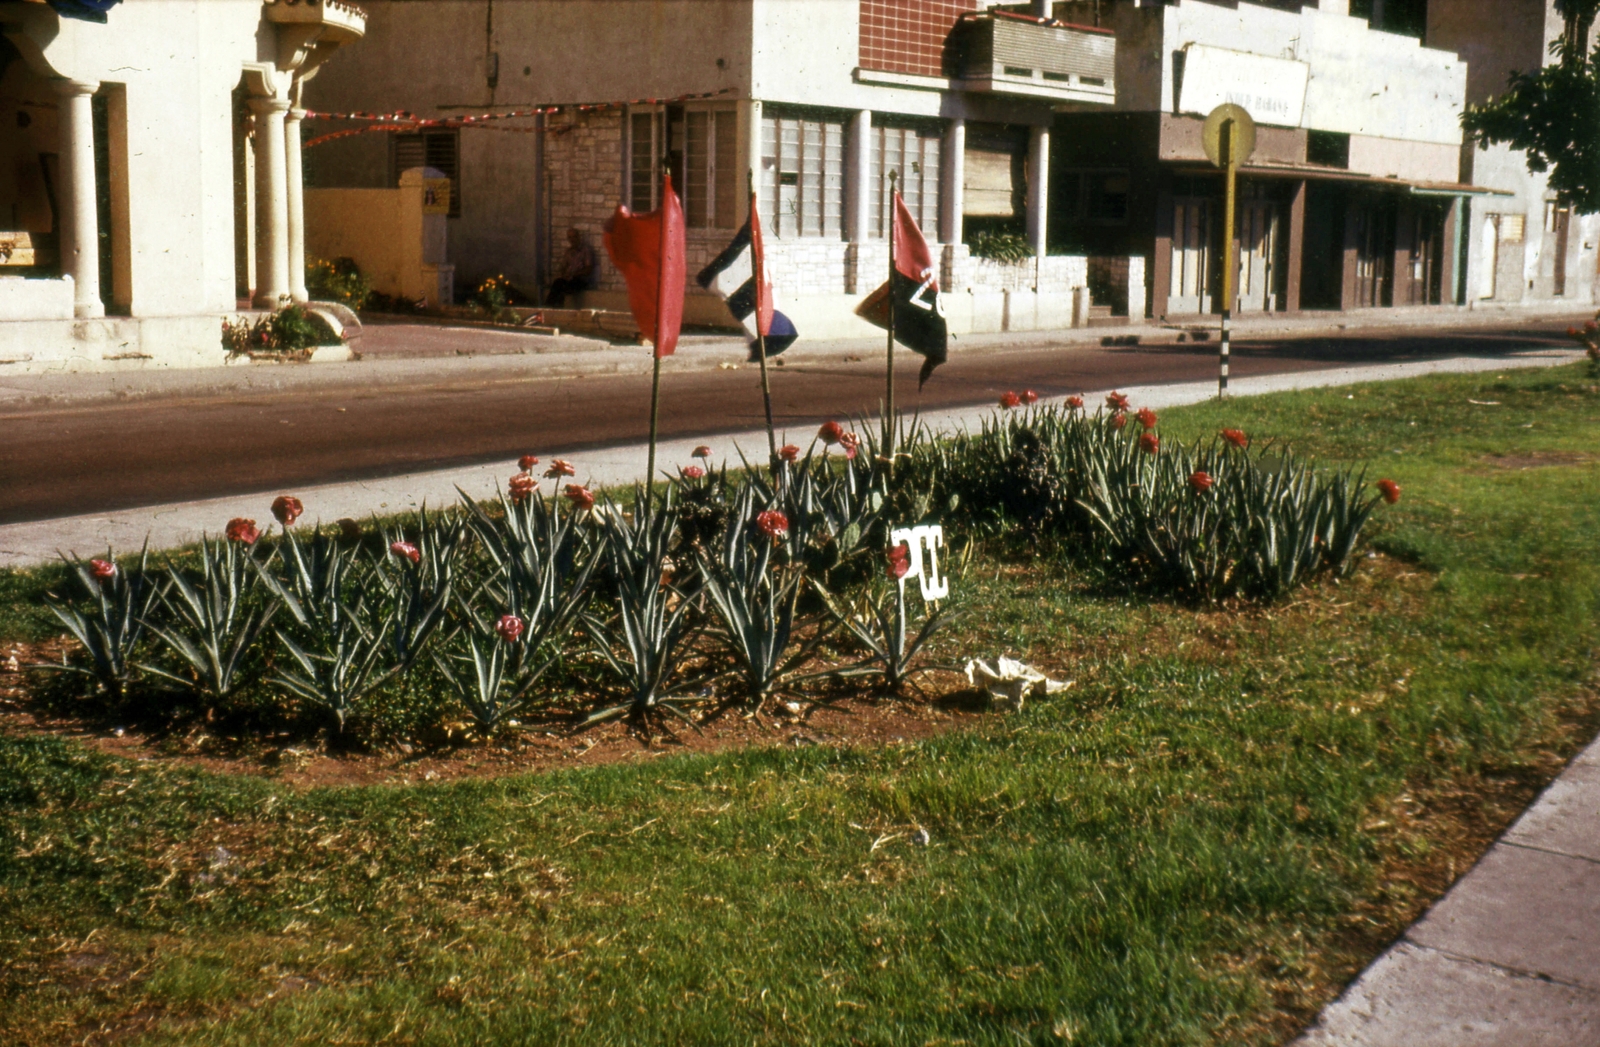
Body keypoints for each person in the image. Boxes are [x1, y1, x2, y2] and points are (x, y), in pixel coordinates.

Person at [546, 227, 594, 307]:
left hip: (580, 279)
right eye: (570, 237)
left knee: (567, 285)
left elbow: (588, 269)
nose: (572, 240)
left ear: (578, 237)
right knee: (558, 283)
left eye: (574, 237)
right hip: (569, 279)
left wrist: (575, 274)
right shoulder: (568, 252)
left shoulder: (585, 250)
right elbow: (563, 266)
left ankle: (556, 305)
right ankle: (549, 306)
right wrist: (564, 274)